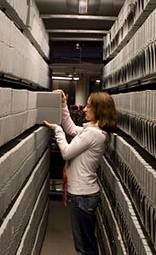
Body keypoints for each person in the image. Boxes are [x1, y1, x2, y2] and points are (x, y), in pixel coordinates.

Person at [43, 89, 117, 255]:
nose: (84, 109)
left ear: (99, 110)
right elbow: (71, 128)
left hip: (83, 195)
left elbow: (67, 152)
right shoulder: (93, 131)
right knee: (87, 242)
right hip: (85, 194)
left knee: (84, 247)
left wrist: (57, 130)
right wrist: (63, 105)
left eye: (88, 106)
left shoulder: (93, 134)